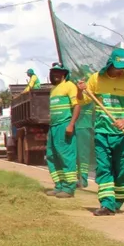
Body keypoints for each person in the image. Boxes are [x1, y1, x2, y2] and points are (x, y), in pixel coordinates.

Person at [78, 48, 124, 216]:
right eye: (118, 66)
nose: (121, 70)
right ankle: (107, 204)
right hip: (102, 132)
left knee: (121, 170)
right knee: (104, 167)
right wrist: (81, 90)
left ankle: (117, 202)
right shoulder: (96, 79)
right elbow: (85, 100)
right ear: (110, 63)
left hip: (123, 135)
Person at [44, 63, 80, 198]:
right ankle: (59, 185)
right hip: (53, 128)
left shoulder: (69, 86)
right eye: (53, 73)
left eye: (58, 72)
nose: (55, 75)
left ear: (64, 74)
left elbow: (77, 106)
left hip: (64, 126)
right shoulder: (53, 89)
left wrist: (71, 125)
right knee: (52, 156)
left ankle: (69, 188)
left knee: (66, 156)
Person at [75, 65, 95, 188]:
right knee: (79, 154)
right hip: (81, 125)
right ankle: (80, 178)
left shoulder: (87, 92)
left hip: (83, 125)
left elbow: (81, 100)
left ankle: (83, 179)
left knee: (82, 154)